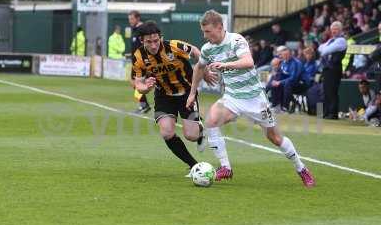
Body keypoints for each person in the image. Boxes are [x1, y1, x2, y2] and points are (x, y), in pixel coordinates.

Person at [186, 10, 315, 188]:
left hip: (255, 99)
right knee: (210, 121)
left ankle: (301, 169)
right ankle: (225, 168)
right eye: (203, 32)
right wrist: (193, 92)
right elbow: (199, 68)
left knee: (275, 138)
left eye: (208, 31)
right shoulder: (208, 49)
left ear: (220, 27)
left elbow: (248, 62)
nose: (205, 35)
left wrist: (225, 64)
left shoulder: (236, 40)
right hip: (232, 97)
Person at [132, 21, 209, 172]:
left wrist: (204, 71)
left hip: (186, 92)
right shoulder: (139, 57)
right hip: (164, 96)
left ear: (160, 37)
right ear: (142, 41)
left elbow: (195, 51)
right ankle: (194, 165)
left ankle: (201, 130)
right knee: (167, 132)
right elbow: (138, 85)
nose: (154, 45)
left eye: (156, 40)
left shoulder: (173, 46)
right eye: (149, 42)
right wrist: (145, 88)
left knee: (191, 136)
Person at [318, 21, 347, 119]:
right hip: (327, 68)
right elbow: (320, 48)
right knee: (326, 91)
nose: (334, 31)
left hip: (334, 68)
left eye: (336, 29)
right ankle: (326, 112)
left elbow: (324, 50)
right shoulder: (331, 40)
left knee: (332, 91)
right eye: (332, 29)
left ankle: (333, 113)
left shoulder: (341, 40)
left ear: (340, 30)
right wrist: (324, 49)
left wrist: (324, 49)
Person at [128, 10, 151, 114]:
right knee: (134, 83)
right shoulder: (135, 30)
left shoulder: (142, 30)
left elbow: (144, 45)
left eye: (132, 19)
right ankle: (144, 105)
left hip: (140, 62)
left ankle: (144, 105)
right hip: (135, 60)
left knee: (135, 82)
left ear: (138, 18)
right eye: (129, 19)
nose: (130, 21)